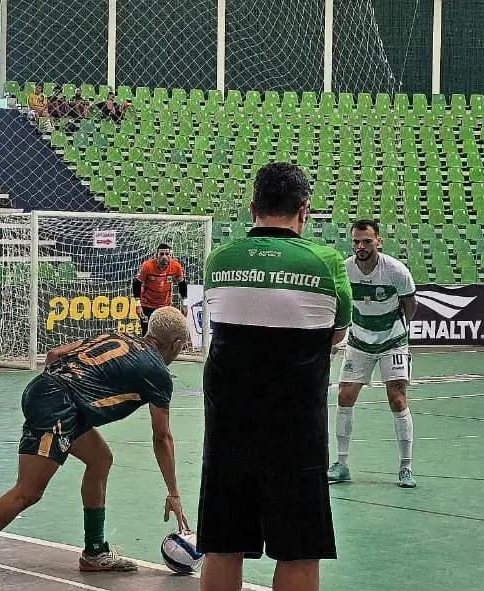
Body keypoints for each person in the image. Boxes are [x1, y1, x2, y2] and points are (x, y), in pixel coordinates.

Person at [0, 307, 192, 590]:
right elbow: (162, 437)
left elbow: (55, 354)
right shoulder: (158, 372)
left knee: (100, 460)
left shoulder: (119, 336)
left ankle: (94, 552)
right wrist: (174, 493)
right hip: (59, 407)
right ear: (177, 345)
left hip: (55, 397)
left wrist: (56, 392)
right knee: (28, 491)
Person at [198, 162, 352, 591]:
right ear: (304, 211)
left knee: (223, 545)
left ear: (253, 208)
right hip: (295, 434)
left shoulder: (219, 260)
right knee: (299, 550)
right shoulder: (326, 263)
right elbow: (338, 329)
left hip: (228, 430)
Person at [327, 219, 418, 489]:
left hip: (393, 341)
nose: (360, 246)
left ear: (378, 241)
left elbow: (410, 304)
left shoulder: (395, 271)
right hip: (359, 341)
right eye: (356, 241)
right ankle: (341, 464)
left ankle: (405, 467)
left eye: (366, 241)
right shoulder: (345, 270)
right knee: (344, 396)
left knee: (397, 399)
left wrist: (398, 332)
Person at [133, 243, 187, 333]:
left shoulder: (176, 266)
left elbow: (182, 284)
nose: (164, 257)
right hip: (147, 305)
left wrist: (185, 303)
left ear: (170, 256)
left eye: (167, 254)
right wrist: (138, 305)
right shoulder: (147, 266)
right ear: (156, 256)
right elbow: (137, 284)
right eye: (161, 254)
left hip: (164, 306)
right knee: (147, 332)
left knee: (164, 332)